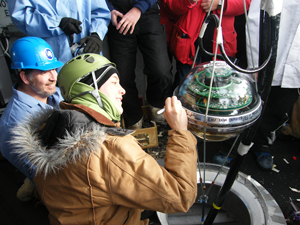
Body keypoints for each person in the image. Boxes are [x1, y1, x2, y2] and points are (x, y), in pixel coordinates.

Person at [9, 54, 198, 224]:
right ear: (89, 89)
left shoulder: (50, 128)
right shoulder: (109, 148)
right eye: (114, 82)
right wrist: (180, 132)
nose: (123, 90)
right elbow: (181, 196)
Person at [213, 0, 300, 171]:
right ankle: (232, 143)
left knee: (280, 105)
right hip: (268, 33)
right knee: (245, 98)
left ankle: (262, 143)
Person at [0, 36, 64, 200]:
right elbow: (49, 175)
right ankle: (35, 192)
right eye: (44, 72)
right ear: (25, 77)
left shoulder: (50, 91)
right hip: (53, 179)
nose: (53, 77)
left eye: (53, 69)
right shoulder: (16, 126)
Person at [105, 0, 174, 129]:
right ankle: (134, 118)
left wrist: (138, 9)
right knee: (122, 77)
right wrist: (108, 9)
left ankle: (156, 106)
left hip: (148, 14)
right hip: (118, 18)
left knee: (161, 70)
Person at [160, 0, 251, 87]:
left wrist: (220, 3)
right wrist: (188, 1)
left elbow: (245, 3)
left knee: (218, 92)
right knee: (185, 92)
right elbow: (169, 4)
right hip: (189, 45)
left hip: (221, 46)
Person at [8, 0, 111, 67]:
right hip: (49, 57)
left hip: (87, 55)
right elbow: (20, 15)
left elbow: (100, 13)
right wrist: (57, 23)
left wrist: (96, 35)